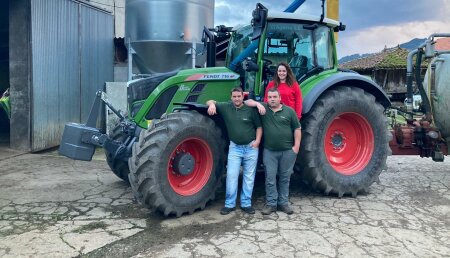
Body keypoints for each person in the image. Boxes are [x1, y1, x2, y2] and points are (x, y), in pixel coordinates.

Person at [206, 87, 262, 215]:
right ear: (231, 97)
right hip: (235, 148)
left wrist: (257, 142)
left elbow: (259, 127)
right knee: (232, 175)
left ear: (243, 96)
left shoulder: (250, 110)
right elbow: (208, 101)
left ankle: (246, 203)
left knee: (249, 177)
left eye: (239, 96)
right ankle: (229, 204)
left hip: (250, 148)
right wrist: (212, 105)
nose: (237, 99)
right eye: (234, 96)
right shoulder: (226, 107)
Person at [246, 88, 301, 215]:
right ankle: (271, 204)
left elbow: (297, 129)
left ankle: (283, 203)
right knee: (270, 178)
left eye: (274, 97)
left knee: (284, 178)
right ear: (267, 99)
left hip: (287, 151)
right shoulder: (264, 109)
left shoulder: (289, 111)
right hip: (270, 152)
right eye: (270, 97)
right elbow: (247, 102)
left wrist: (296, 147)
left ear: (280, 98)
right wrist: (258, 103)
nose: (272, 99)